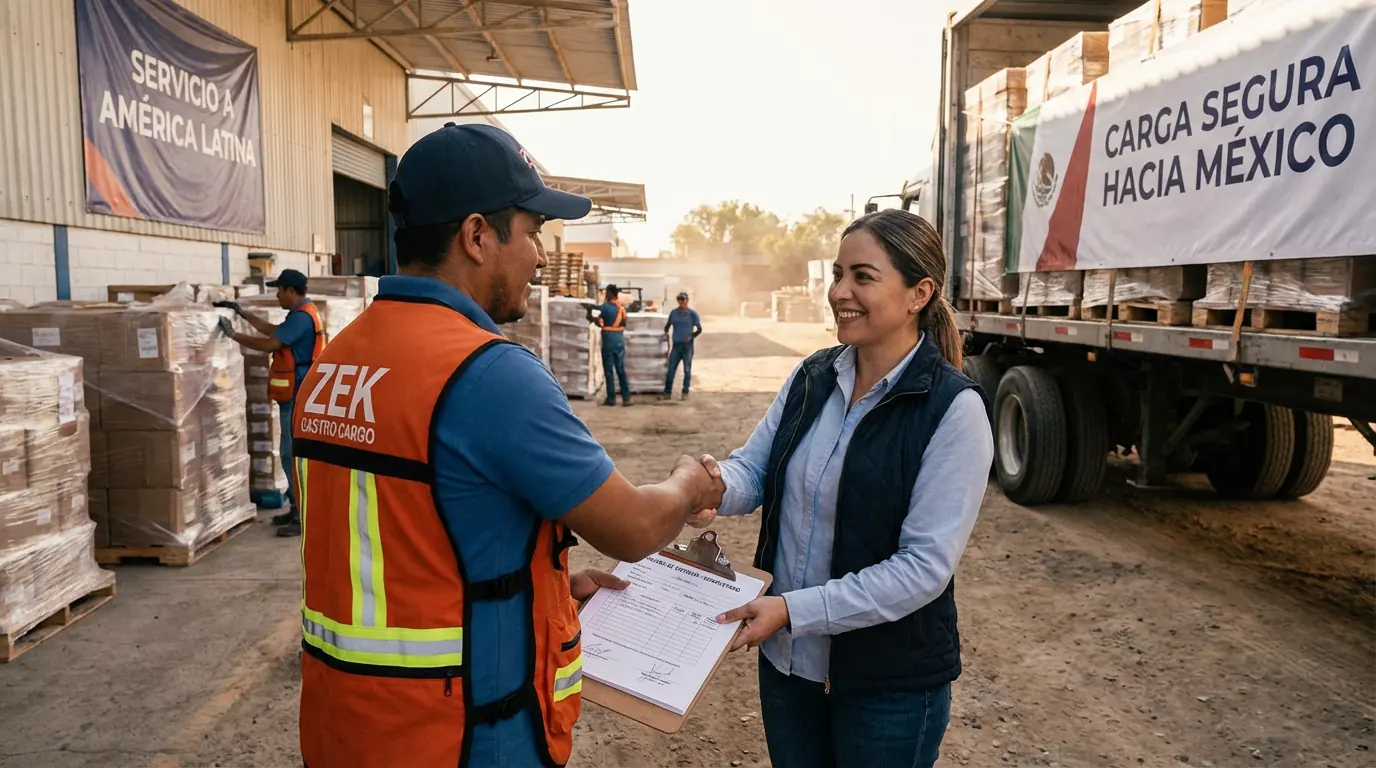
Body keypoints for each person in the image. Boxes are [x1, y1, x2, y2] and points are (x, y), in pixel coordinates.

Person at [291, 122, 724, 768]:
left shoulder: (337, 363)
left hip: (345, 729)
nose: (543, 256)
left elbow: (402, 538)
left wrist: (533, 589)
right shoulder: (489, 375)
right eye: (533, 233)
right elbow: (634, 528)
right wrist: (689, 480)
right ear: (476, 236)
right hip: (461, 737)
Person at [699, 209, 993, 768]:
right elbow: (755, 471)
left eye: (862, 276)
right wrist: (708, 486)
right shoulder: (812, 377)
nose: (839, 292)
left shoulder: (953, 411)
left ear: (918, 293)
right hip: (790, 669)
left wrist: (791, 609)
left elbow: (923, 568)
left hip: (889, 688)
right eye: (838, 274)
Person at [215, 268, 322, 538]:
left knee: (289, 454)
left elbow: (270, 343)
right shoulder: (300, 315)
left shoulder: (301, 318)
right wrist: (241, 312)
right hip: (296, 393)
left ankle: (300, 515)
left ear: (290, 291)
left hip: (298, 394)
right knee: (287, 452)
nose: (276, 296)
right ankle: (296, 506)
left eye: (279, 290)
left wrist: (233, 336)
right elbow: (273, 330)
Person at [593, 284, 632, 406]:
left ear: (609, 294)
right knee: (621, 370)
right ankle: (626, 398)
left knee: (609, 371)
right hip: (619, 341)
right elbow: (624, 323)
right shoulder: (622, 309)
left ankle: (611, 398)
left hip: (609, 341)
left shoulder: (605, 308)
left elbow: (597, 321)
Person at [662, 291, 702, 401]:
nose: (681, 302)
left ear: (687, 300)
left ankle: (685, 392)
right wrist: (664, 337)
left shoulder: (692, 314)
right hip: (676, 346)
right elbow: (667, 326)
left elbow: (699, 329)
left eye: (683, 299)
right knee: (671, 369)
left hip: (687, 347)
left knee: (687, 370)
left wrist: (691, 337)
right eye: (679, 300)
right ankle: (667, 392)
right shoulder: (674, 313)